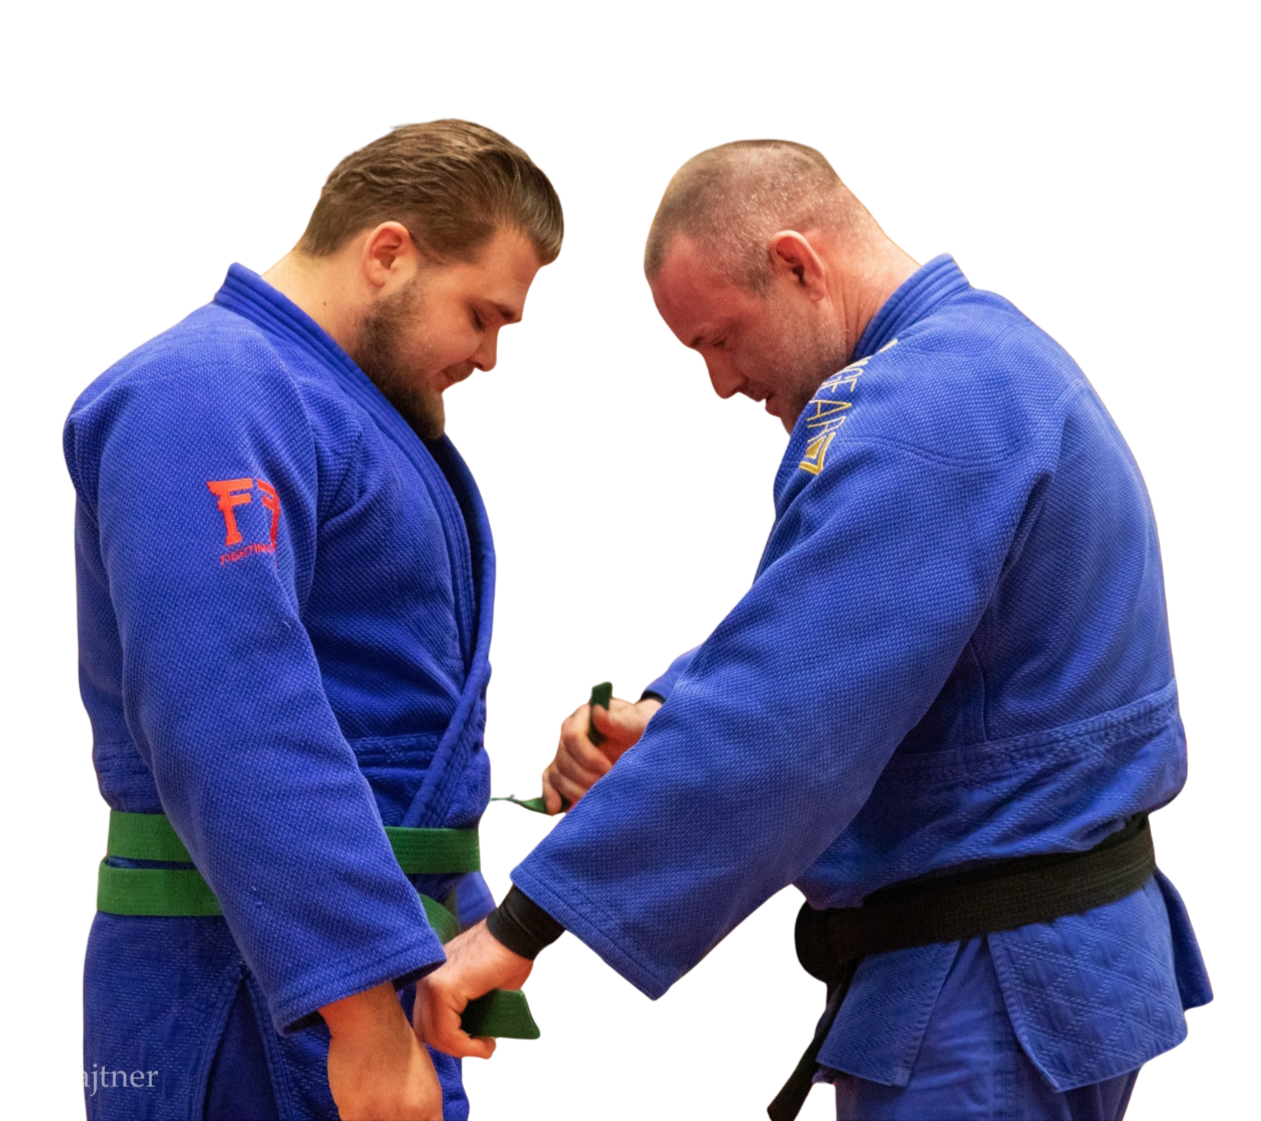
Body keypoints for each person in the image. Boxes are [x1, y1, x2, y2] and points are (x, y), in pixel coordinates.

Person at [415, 138, 1212, 1120]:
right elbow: (816, 627)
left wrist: (521, 925)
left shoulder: (928, 399)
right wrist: (660, 714)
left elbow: (793, 711)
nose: (716, 382)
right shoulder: (984, 361)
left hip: (987, 982)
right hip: (1020, 966)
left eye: (717, 337)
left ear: (796, 262)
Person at [68, 117, 561, 1121]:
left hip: (349, 961)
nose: (490, 355)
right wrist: (359, 1015)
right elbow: (227, 709)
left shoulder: (311, 396)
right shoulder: (201, 389)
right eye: (482, 315)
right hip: (249, 980)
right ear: (387, 253)